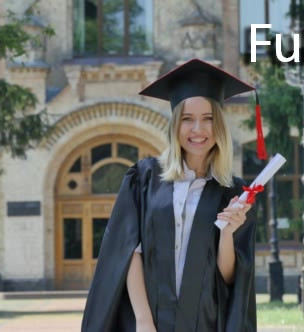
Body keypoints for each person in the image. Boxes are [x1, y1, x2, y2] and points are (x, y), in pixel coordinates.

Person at [81, 59, 265, 332]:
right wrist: (143, 321)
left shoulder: (234, 193)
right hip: (148, 320)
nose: (197, 130)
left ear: (220, 125)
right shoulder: (144, 178)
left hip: (204, 322)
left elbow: (229, 278)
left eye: (208, 119)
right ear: (175, 125)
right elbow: (128, 250)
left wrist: (228, 232)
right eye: (187, 119)